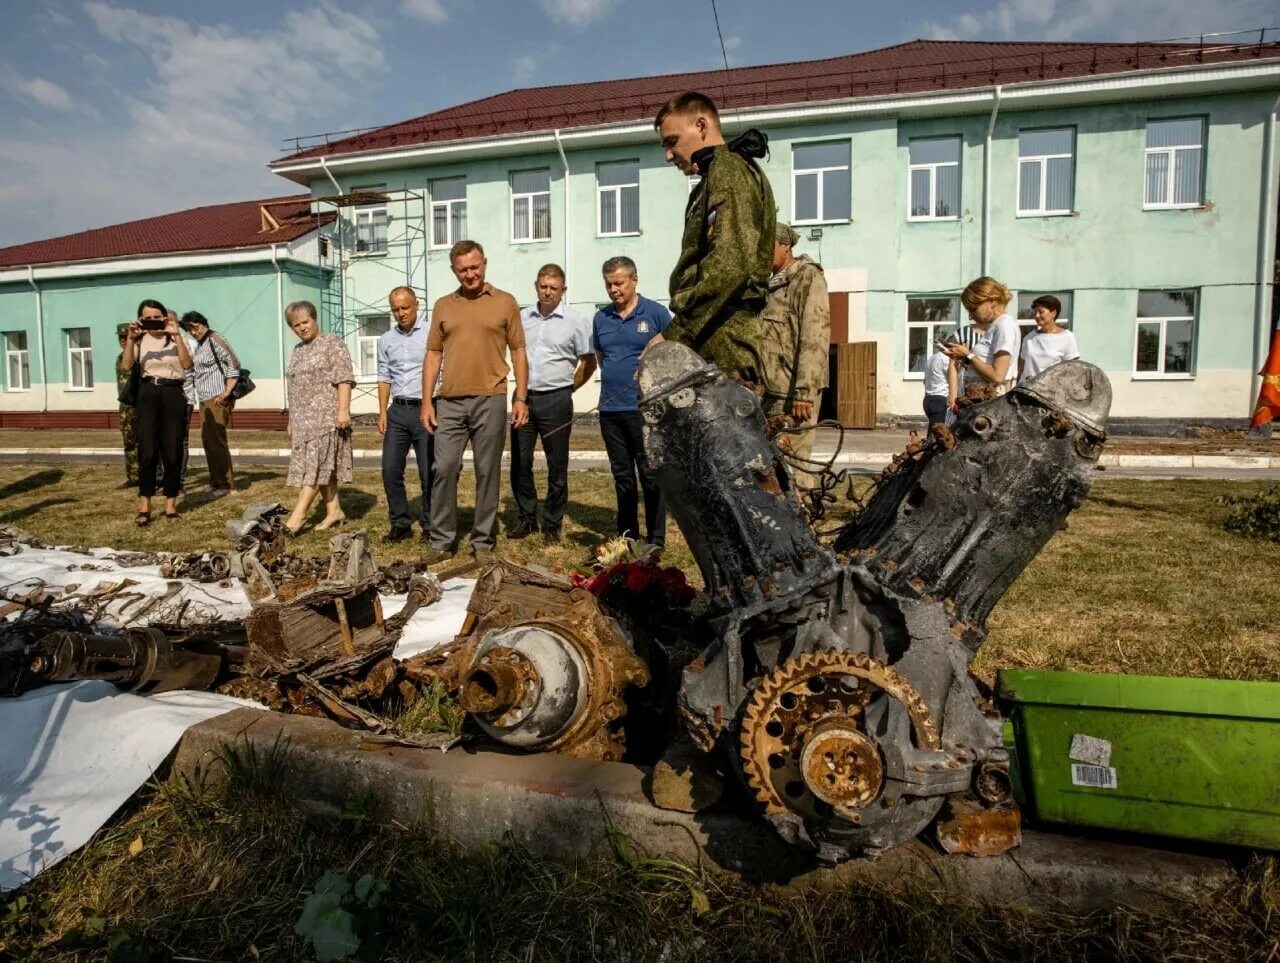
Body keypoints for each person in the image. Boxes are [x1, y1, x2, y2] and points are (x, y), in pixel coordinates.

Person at [656, 91, 776, 387]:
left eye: (672, 141)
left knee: (722, 433)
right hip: (713, 339)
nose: (668, 155)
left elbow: (730, 266)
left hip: (722, 343)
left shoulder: (728, 170)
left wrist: (674, 335)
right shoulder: (714, 176)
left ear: (701, 125)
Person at [420, 241, 529, 564]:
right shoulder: (443, 305)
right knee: (444, 467)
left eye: (475, 266)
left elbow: (519, 351)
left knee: (487, 471)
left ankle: (482, 541)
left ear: (485, 263)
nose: (471, 274)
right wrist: (427, 402)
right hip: (449, 402)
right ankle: (441, 541)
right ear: (454, 271)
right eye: (463, 269)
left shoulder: (506, 302)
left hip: (491, 398)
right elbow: (433, 354)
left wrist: (521, 396)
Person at [510, 264, 595, 543]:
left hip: (556, 399)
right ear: (536, 286)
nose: (548, 292)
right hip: (523, 398)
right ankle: (526, 518)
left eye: (553, 288)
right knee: (520, 462)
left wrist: (569, 388)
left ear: (563, 290)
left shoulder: (575, 321)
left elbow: (588, 361)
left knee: (556, 464)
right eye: (543, 286)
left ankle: (552, 523)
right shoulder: (522, 318)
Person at [593, 256, 670, 548]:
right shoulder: (601, 318)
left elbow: (671, 354)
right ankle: (628, 536)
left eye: (619, 283)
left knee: (650, 475)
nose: (614, 290)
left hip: (646, 410)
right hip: (611, 411)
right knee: (622, 476)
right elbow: (602, 359)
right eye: (609, 284)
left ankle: (657, 538)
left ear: (634, 280)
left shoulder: (656, 314)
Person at [760, 222, 830, 486]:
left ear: (785, 246)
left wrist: (804, 392)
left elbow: (815, 336)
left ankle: (803, 523)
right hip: (771, 392)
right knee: (774, 469)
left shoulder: (807, 277)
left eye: (767, 245)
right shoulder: (770, 285)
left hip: (794, 394)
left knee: (796, 469)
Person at [283, 300, 354, 534]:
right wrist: (292, 419)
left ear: (314, 319)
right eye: (296, 325)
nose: (302, 327)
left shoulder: (332, 343)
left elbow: (344, 378)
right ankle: (334, 511)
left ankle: (298, 515)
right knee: (322, 467)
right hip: (304, 420)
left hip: (326, 418)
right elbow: (293, 387)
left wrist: (343, 410)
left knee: (315, 468)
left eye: (305, 321)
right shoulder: (297, 351)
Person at [119, 299, 193, 525]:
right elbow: (126, 366)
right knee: (148, 452)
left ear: (165, 316)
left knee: (172, 451)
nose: (153, 322)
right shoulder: (140, 339)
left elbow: (187, 364)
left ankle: (170, 506)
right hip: (147, 392)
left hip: (173, 392)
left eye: (156, 317)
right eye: (147, 318)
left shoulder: (176, 337)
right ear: (141, 319)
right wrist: (131, 339)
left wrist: (177, 334)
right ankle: (144, 507)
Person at [377, 286, 435, 543]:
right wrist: (382, 411)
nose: (400, 313)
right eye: (395, 309)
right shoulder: (387, 340)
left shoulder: (433, 334)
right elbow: (384, 376)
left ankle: (431, 525)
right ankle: (400, 523)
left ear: (416, 305)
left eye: (405, 307)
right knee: (390, 469)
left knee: (428, 472)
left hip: (427, 408)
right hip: (398, 411)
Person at [182, 311, 240, 496]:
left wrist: (227, 391)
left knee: (217, 442)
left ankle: (226, 485)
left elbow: (234, 362)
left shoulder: (215, 338)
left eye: (196, 326)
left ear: (204, 323)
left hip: (217, 398)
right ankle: (215, 481)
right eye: (190, 329)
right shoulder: (200, 345)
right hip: (204, 399)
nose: (194, 331)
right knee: (208, 441)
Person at [942, 276, 1022, 398]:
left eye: (973, 309)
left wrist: (968, 355)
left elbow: (998, 376)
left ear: (992, 302)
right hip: (982, 402)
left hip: (990, 404)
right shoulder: (996, 325)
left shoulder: (1004, 325)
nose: (970, 316)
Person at [1019, 294, 1080, 380]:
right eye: (1035, 312)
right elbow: (1021, 368)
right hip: (1027, 389)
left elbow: (1072, 371)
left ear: (1053, 313)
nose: (1036, 316)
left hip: (1051, 390)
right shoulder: (1029, 338)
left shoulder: (1067, 337)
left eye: (1040, 312)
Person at [114, 323, 138, 488]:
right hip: (125, 407)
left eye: (126, 337)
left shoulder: (139, 357)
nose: (123, 340)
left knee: (146, 443)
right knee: (128, 442)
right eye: (120, 337)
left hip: (140, 406)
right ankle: (133, 477)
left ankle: (150, 476)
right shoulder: (119, 358)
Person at [922, 349, 953, 427]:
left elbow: (924, 381)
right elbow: (953, 377)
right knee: (939, 433)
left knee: (934, 432)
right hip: (940, 400)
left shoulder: (931, 358)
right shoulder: (946, 359)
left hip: (928, 399)